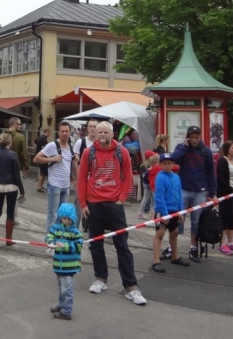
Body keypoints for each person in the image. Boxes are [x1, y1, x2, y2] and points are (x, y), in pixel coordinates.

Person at [77, 121, 146, 305]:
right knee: (96, 243)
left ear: (112, 134)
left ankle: (131, 286)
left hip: (115, 204)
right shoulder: (89, 152)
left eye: (105, 132)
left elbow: (128, 177)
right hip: (94, 203)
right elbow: (82, 179)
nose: (102, 135)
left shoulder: (122, 152)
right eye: (99, 132)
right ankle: (100, 278)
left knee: (122, 245)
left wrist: (121, 199)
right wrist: (83, 204)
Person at [171, 125, 217, 263]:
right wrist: (184, 147)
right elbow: (174, 159)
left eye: (197, 137)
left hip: (200, 191)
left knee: (196, 221)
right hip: (184, 189)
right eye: (192, 137)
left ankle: (193, 247)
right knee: (178, 219)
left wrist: (212, 192)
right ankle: (172, 247)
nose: (195, 140)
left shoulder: (205, 151)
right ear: (188, 137)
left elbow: (211, 172)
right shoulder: (181, 148)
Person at [34, 121, 78, 234]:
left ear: (70, 132)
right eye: (62, 131)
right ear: (58, 133)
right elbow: (36, 158)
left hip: (66, 186)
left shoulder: (70, 146)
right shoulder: (52, 145)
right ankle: (50, 240)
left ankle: (58, 238)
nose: (64, 133)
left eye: (66, 131)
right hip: (54, 185)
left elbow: (73, 163)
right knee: (52, 215)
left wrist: (77, 179)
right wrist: (52, 159)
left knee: (62, 215)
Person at [0, 132, 26, 248]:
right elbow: (17, 175)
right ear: (10, 143)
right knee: (10, 213)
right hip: (11, 187)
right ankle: (8, 239)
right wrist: (22, 190)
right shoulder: (13, 155)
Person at [151, 153, 189, 272]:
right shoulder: (160, 177)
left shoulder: (176, 177)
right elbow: (159, 197)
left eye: (169, 163)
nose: (167, 166)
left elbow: (179, 194)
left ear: (173, 164)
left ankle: (175, 256)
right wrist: (165, 213)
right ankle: (156, 260)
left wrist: (181, 211)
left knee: (174, 233)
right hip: (163, 212)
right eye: (164, 164)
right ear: (160, 165)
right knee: (160, 235)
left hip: (175, 211)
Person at [46, 202, 83, 321]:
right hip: (58, 265)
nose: (66, 221)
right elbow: (49, 236)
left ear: (72, 218)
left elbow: (78, 245)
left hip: (69, 266)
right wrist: (50, 242)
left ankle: (66, 311)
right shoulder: (56, 228)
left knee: (67, 289)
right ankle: (62, 305)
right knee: (61, 288)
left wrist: (65, 245)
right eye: (63, 218)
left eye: (68, 219)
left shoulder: (75, 232)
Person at [8, 117, 29, 226]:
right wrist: (26, 166)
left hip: (2, 169)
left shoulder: (2, 135)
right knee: (14, 195)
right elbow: (23, 154)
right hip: (16, 168)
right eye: (19, 124)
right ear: (14, 124)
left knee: (0, 194)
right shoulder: (20, 137)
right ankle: (12, 219)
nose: (20, 126)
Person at [138, 151, 158, 219]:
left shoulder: (144, 165)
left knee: (146, 198)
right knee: (153, 199)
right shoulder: (150, 165)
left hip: (146, 183)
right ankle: (152, 213)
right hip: (150, 183)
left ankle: (140, 213)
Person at [34, 127, 51, 192]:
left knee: (42, 172)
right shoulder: (44, 139)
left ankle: (40, 186)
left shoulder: (40, 137)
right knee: (43, 173)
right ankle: (39, 187)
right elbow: (44, 149)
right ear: (47, 132)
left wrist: (37, 149)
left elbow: (34, 141)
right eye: (50, 133)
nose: (50, 135)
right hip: (42, 158)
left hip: (38, 156)